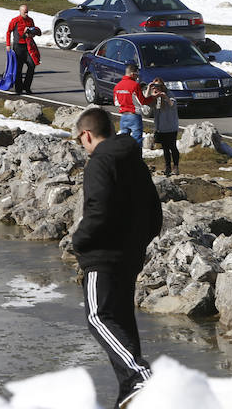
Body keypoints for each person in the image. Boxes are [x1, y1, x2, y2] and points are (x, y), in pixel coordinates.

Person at [71, 107, 162, 408]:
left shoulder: (100, 162)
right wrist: (137, 242)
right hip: (130, 255)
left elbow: (98, 211)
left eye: (79, 139)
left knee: (98, 317)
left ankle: (139, 376)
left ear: (86, 135)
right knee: (121, 321)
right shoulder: (134, 160)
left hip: (103, 255)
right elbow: (155, 213)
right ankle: (130, 394)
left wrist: (79, 242)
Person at [147, 78, 180, 176]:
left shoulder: (169, 94)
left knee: (172, 147)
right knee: (165, 148)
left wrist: (164, 96)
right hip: (160, 127)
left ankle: (176, 166)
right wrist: (149, 88)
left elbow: (172, 104)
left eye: (158, 86)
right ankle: (167, 167)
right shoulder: (154, 96)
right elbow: (146, 102)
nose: (156, 88)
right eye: (155, 86)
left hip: (171, 126)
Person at [5, 4, 40, 94]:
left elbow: (33, 32)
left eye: (27, 12)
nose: (26, 14)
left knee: (32, 65)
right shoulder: (15, 20)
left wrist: (32, 33)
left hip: (28, 46)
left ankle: (27, 86)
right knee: (18, 68)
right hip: (18, 46)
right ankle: (19, 88)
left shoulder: (30, 20)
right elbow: (8, 32)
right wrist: (8, 45)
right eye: (25, 12)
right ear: (20, 11)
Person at [113, 64, 150, 145]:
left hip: (123, 116)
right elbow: (142, 101)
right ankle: (137, 157)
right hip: (134, 116)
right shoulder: (135, 85)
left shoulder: (117, 86)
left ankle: (125, 157)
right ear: (132, 74)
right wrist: (152, 98)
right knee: (137, 140)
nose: (137, 77)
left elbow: (116, 103)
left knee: (124, 140)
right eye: (137, 75)